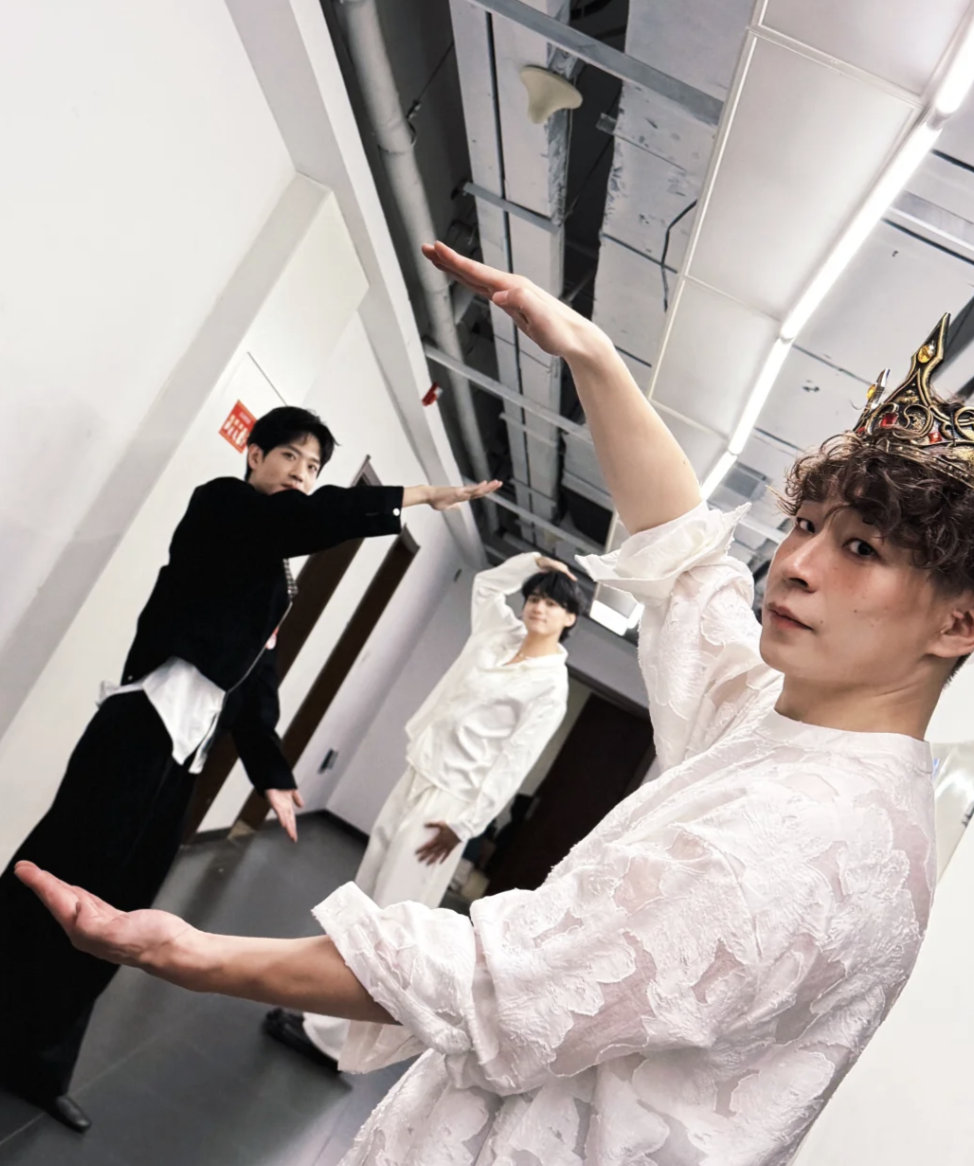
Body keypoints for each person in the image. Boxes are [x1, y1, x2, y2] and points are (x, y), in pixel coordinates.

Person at [16, 243, 974, 1165]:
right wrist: (591, 355)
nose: (796, 564)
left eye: (861, 549)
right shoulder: (781, 722)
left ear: (958, 623)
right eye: (804, 525)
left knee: (397, 915)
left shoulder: (806, 835)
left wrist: (193, 954)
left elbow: (497, 985)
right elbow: (688, 562)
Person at [0, 402, 500, 1132]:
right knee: (55, 876)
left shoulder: (276, 574)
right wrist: (416, 496)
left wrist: (273, 774)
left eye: (313, 466)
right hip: (137, 730)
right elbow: (296, 523)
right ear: (255, 455)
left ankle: (38, 1060)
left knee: (119, 914)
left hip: (184, 752)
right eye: (290, 456)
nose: (301, 472)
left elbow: (255, 682)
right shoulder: (224, 506)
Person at [264, 551, 580, 1069]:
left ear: (570, 618)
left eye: (552, 603)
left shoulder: (550, 686)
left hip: (448, 806)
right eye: (535, 597)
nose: (538, 607)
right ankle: (316, 1009)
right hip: (417, 777)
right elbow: (486, 585)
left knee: (393, 923)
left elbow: (513, 764)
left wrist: (464, 826)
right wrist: (533, 561)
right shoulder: (497, 636)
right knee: (364, 900)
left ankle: (335, 1042)